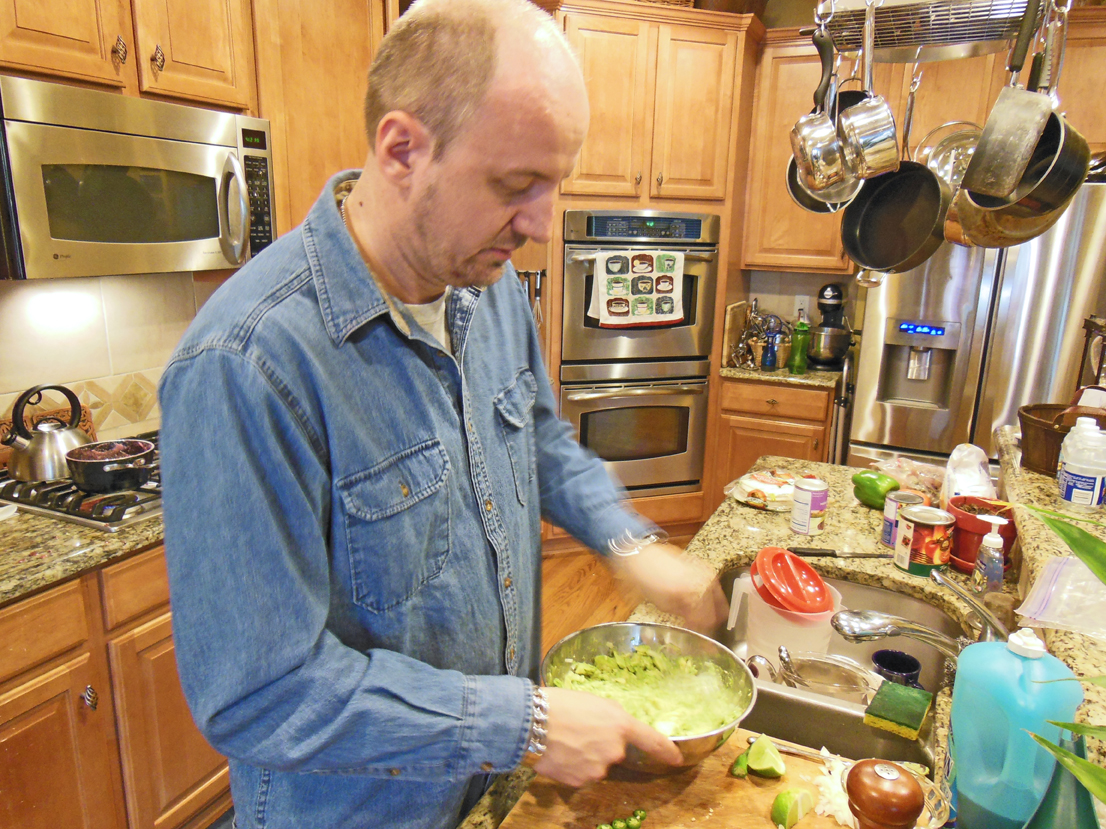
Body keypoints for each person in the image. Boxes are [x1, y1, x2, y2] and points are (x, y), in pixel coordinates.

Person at [158, 1, 727, 827]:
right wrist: (523, 721)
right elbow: (260, 692)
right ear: (402, 150)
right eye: (515, 185)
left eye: (553, 183)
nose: (539, 225)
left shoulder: (481, 286)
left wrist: (628, 540)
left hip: (485, 790)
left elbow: (535, 434)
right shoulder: (246, 364)